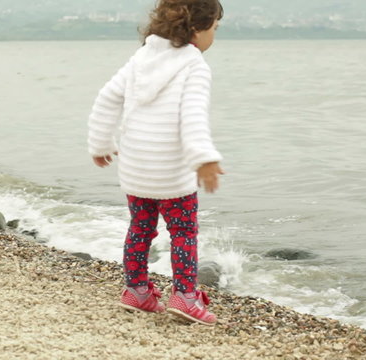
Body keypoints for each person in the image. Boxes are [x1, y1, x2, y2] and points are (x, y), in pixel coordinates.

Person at [87, 0, 224, 326]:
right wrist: (204, 158)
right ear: (196, 29)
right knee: (183, 232)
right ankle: (186, 296)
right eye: (215, 29)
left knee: (140, 227)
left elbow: (108, 97)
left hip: (135, 167)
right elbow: (192, 117)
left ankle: (136, 291)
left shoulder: (142, 57)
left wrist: (100, 143)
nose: (215, 37)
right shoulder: (194, 65)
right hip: (171, 172)